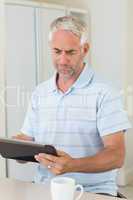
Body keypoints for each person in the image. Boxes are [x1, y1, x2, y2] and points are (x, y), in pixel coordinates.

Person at [14, 16, 131, 197]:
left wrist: (72, 165)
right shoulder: (40, 92)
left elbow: (116, 156)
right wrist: (18, 148)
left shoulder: (106, 93)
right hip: (45, 188)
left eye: (70, 52)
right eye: (57, 51)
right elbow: (28, 138)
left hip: (93, 192)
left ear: (85, 49)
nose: (62, 60)